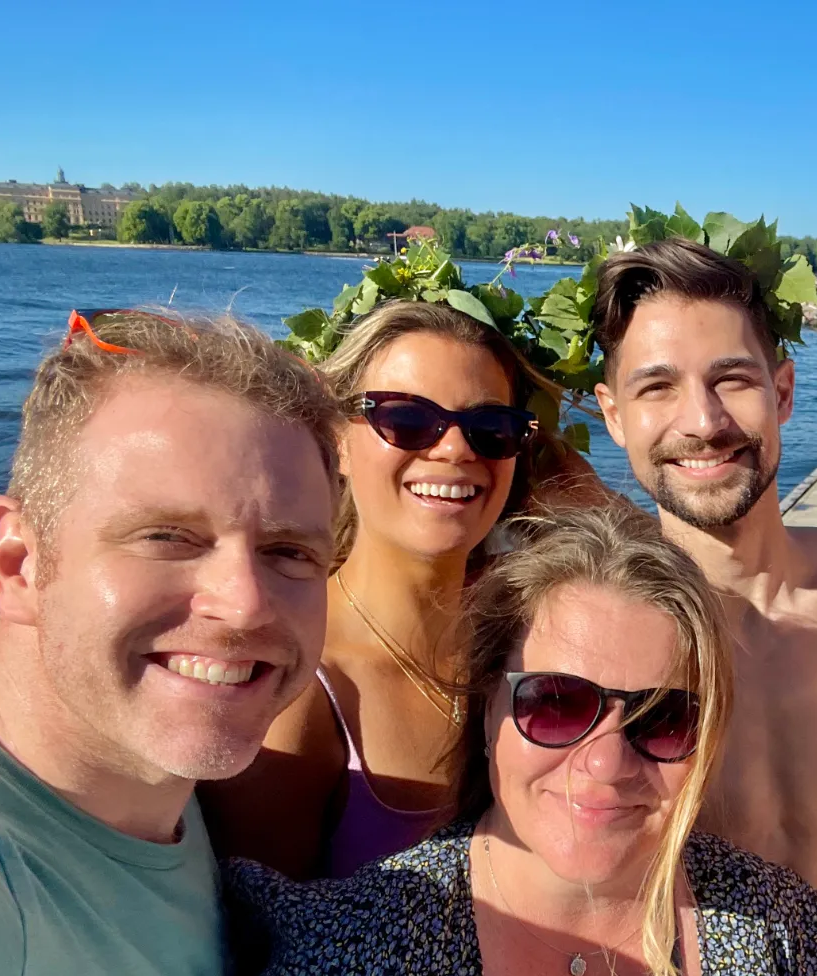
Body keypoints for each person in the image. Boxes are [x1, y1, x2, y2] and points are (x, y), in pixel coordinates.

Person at [189, 503, 817, 976]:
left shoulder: (762, 930)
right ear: (488, 712)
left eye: (662, 717)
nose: (605, 764)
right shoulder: (347, 971)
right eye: (557, 704)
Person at [0, 309, 341, 976]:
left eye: (289, 551)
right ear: (19, 562)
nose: (243, 603)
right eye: (168, 537)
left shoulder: (153, 793)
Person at [201, 300, 602, 879]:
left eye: (492, 428)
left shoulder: (530, 634)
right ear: (336, 438)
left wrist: (590, 508)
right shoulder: (296, 689)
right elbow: (266, 926)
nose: (455, 449)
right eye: (407, 418)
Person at [592, 238, 817, 928]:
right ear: (614, 416)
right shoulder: (598, 639)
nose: (703, 422)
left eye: (733, 380)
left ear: (784, 392)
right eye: (657, 387)